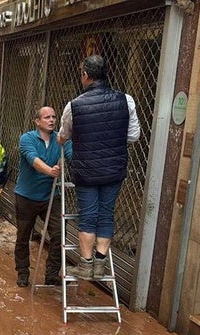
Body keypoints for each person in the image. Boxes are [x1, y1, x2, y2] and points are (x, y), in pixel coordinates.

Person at [57, 54, 140, 280]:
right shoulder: (127, 100)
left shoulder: (74, 105)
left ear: (85, 75)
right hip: (114, 168)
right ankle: (101, 263)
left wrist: (63, 140)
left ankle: (85, 265)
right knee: (106, 214)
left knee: (87, 216)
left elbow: (64, 135)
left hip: (86, 170)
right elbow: (133, 135)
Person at [14, 106, 72, 287]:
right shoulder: (27, 138)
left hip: (51, 196)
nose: (52, 120)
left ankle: (52, 274)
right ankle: (23, 273)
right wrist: (50, 171)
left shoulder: (61, 139)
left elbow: (73, 157)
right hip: (26, 196)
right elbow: (33, 160)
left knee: (60, 233)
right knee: (24, 235)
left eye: (54, 117)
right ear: (37, 121)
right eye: (47, 117)